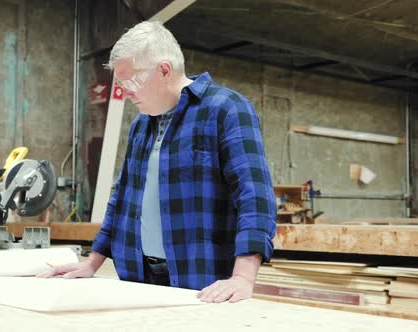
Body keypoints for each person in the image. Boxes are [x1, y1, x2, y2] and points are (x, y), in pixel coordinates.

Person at [38, 21, 276, 304]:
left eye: (132, 81)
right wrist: (92, 262)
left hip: (200, 280)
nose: (125, 92)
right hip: (138, 276)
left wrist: (243, 278)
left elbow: (254, 195)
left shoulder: (226, 109)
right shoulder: (141, 125)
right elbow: (121, 198)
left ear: (164, 70)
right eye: (121, 83)